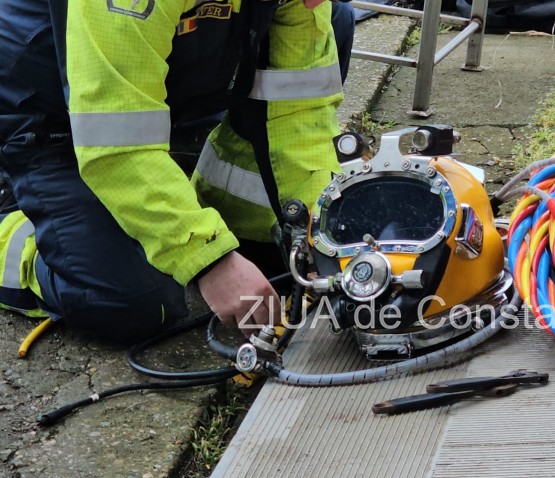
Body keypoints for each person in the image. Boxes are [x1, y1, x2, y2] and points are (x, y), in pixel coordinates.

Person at [0, 0, 354, 343]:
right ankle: (15, 227)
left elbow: (298, 112)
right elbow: (118, 144)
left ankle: (211, 202)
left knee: (335, 17)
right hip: (55, 119)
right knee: (134, 301)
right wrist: (208, 259)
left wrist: (318, 234)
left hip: (154, 83)